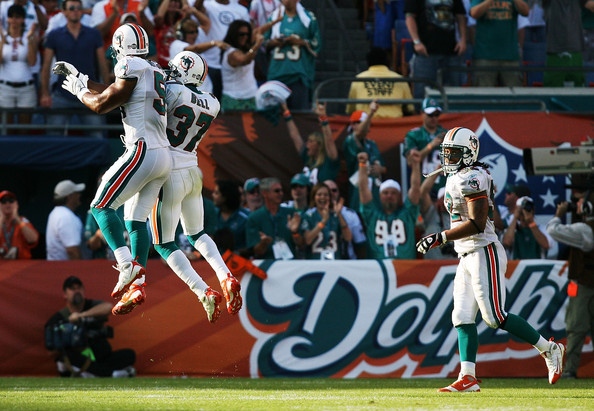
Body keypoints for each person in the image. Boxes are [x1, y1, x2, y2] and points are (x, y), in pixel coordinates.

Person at [416, 127, 565, 392]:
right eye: (446, 153)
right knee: (461, 316)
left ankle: (549, 348)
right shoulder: (457, 176)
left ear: (469, 153)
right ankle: (468, 377)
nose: (448, 158)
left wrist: (440, 237)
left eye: (454, 153)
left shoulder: (473, 177)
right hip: (466, 253)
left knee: (494, 316)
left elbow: (477, 222)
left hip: (483, 250)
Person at [55, 23, 172, 314]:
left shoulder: (129, 65)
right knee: (135, 220)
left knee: (100, 206)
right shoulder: (153, 68)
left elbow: (102, 105)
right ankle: (138, 284)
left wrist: (80, 92)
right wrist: (82, 79)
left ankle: (126, 264)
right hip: (163, 155)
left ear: (122, 46)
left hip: (142, 149)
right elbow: (118, 91)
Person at [148, 50, 242, 322]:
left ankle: (202, 290)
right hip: (192, 170)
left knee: (164, 243)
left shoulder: (171, 90)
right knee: (197, 233)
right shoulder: (212, 102)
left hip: (169, 171)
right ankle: (225, 275)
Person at [40, 0, 110, 139]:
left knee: (97, 136)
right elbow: (46, 66)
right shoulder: (55, 35)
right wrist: (45, 94)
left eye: (79, 8)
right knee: (53, 137)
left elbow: (102, 64)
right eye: (72, 8)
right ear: (64, 12)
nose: (76, 11)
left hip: (89, 92)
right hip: (62, 93)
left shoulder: (93, 34)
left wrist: (107, 92)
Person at [546, 180, 594, 379]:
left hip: (584, 284)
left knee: (575, 327)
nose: (577, 203)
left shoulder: (585, 229)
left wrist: (559, 214)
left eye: (580, 200)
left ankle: (570, 369)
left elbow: (552, 230)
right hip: (585, 282)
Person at [45, 276, 136, 377]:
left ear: (83, 290)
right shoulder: (59, 319)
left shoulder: (91, 306)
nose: (77, 291)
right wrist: (68, 339)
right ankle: (112, 374)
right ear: (65, 294)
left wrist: (81, 316)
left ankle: (94, 373)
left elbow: (109, 307)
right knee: (67, 358)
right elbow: (52, 352)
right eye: (72, 289)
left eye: (79, 288)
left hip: (100, 355)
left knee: (129, 355)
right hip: (80, 357)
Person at [358, 150, 421, 259]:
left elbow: (415, 188)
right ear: (380, 196)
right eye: (385, 193)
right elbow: (363, 189)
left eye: (393, 193)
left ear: (399, 196)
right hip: (379, 267)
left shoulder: (407, 213)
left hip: (405, 266)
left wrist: (415, 165)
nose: (389, 196)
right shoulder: (372, 215)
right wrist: (362, 165)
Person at [264, 0, 321, 110]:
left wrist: (301, 42)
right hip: (277, 74)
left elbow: (317, 43)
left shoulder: (308, 18)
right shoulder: (275, 17)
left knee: (299, 115)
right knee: (276, 115)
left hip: (298, 74)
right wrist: (275, 42)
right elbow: (263, 42)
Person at [404, 0, 467, 98]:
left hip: (451, 51)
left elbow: (460, 16)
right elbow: (409, 17)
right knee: (423, 93)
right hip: (426, 52)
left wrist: (463, 40)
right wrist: (416, 42)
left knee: (453, 94)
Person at [194, 0, 250, 100]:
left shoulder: (241, 10)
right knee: (212, 100)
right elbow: (196, 8)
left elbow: (248, 32)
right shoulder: (207, 5)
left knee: (229, 98)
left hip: (233, 63)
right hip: (211, 62)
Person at [470, 0, 529, 87]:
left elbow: (526, 11)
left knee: (513, 93)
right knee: (483, 93)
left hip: (510, 56)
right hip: (484, 55)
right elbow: (474, 13)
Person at [346, 46, 414, 118]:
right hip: (394, 122)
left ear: (368, 62)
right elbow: (410, 108)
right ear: (388, 61)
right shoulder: (399, 79)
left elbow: (350, 109)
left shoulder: (358, 79)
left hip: (365, 122)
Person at [342, 101, 386, 211]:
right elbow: (359, 133)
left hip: (375, 195)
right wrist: (371, 113)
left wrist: (379, 169)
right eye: (359, 123)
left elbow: (384, 168)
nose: (365, 125)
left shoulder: (372, 144)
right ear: (352, 125)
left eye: (365, 123)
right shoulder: (349, 141)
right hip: (358, 196)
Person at [0, 5, 38, 129]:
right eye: (11, 17)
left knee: (24, 129)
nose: (14, 20)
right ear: (7, 19)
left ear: (23, 19)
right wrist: (3, 40)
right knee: (7, 129)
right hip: (5, 87)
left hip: (26, 87)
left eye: (17, 17)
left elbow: (32, 62)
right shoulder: (1, 37)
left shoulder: (29, 37)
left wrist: (30, 40)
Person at [283, 101, 339, 184]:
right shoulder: (307, 157)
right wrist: (286, 112)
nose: (307, 144)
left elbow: (329, 140)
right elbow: (295, 136)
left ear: (319, 144)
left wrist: (323, 118)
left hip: (324, 192)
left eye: (311, 141)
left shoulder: (329, 160)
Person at [245, 177, 301, 259]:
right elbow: (256, 251)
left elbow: (301, 245)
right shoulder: (254, 218)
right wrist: (264, 243)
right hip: (266, 263)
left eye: (281, 190)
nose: (281, 193)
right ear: (265, 193)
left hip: (289, 263)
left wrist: (295, 232)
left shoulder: (290, 213)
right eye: (277, 191)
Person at [403, 97, 448, 195]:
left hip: (444, 186)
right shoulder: (414, 135)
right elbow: (410, 161)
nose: (433, 118)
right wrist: (430, 146)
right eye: (430, 115)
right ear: (422, 113)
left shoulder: (447, 134)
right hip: (423, 186)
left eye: (436, 115)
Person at [297, 182, 351, 260]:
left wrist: (339, 214)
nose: (322, 197)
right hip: (315, 261)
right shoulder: (308, 216)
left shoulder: (335, 216)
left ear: (330, 198)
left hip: (335, 261)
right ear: (314, 197)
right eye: (319, 194)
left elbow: (348, 237)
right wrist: (323, 222)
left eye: (326, 195)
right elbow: (308, 240)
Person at [542, 0, 588, 87]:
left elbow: (591, 5)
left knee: (578, 91)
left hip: (575, 51)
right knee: (552, 90)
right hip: (555, 52)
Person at [220, 19, 263, 111]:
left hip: (251, 96)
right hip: (234, 99)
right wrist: (257, 45)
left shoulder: (246, 50)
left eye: (247, 34)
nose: (245, 37)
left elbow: (258, 31)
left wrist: (275, 21)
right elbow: (244, 61)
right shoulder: (231, 53)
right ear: (234, 35)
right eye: (241, 34)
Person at [323, 179, 367, 259]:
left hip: (346, 261)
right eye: (327, 191)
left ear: (338, 193)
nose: (331, 193)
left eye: (334, 190)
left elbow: (360, 243)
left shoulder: (350, 214)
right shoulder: (312, 213)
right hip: (319, 261)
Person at [501, 195, 553, 259]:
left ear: (533, 211)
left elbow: (546, 245)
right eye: (521, 210)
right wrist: (515, 217)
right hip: (517, 265)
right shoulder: (513, 230)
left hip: (537, 265)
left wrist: (531, 222)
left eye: (528, 209)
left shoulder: (543, 229)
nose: (524, 212)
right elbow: (507, 243)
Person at [46, 180, 85, 261]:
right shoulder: (66, 217)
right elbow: (72, 251)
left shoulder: (56, 212)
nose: (79, 195)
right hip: (66, 267)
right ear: (69, 197)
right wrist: (81, 268)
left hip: (56, 265)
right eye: (76, 193)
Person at [212, 179, 249, 253]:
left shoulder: (246, 218)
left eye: (216, 193)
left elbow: (252, 247)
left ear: (225, 197)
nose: (213, 195)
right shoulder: (212, 214)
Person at [0, 190, 39, 259]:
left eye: (11, 201)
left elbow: (33, 239)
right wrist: (1, 219)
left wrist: (17, 219)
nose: (7, 203)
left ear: (16, 204)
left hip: (22, 263)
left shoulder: (22, 220)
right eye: (4, 201)